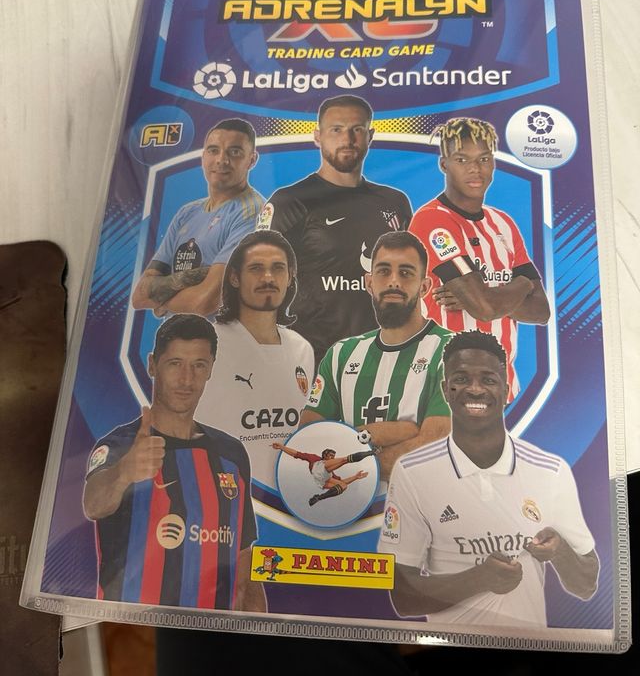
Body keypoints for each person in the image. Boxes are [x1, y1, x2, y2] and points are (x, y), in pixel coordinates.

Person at [378, 330, 598, 627]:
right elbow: (402, 597)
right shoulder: (413, 473)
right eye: (461, 379)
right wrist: (479, 579)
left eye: (488, 380)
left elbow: (586, 585)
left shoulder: (550, 470)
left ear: (506, 390)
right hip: (448, 650)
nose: (475, 389)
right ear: (445, 390)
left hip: (530, 649)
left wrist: (559, 551)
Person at [82, 314, 265, 612]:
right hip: (133, 630)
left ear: (210, 369)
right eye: (175, 363)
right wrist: (123, 472)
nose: (186, 379)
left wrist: (258, 630)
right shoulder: (121, 445)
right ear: (153, 365)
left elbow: (245, 567)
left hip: (213, 631)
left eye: (198, 365)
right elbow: (93, 505)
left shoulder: (231, 454)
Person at [256, 94, 412, 365]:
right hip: (311, 358)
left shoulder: (394, 202)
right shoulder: (289, 202)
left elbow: (412, 274)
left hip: (383, 356)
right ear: (318, 137)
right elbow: (256, 279)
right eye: (336, 130)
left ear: (370, 136)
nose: (347, 139)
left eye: (357, 130)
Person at [408, 117, 550, 400]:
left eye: (484, 159)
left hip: (502, 386)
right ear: (444, 164)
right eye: (462, 159)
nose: (475, 168)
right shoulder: (432, 221)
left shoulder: (503, 223)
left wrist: (483, 297)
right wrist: (522, 285)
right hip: (443, 389)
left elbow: (541, 311)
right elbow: (485, 308)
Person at [302, 230, 451, 480]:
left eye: (406, 273)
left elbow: (434, 448)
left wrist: (344, 460)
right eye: (383, 271)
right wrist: (394, 432)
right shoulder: (341, 355)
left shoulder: (452, 351)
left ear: (424, 287)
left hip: (422, 501)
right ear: (369, 283)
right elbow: (309, 439)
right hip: (348, 502)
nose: (394, 282)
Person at [197, 230, 315, 498]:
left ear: (290, 277)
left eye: (278, 268)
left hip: (287, 499)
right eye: (256, 268)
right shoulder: (207, 342)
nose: (268, 278)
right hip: (222, 495)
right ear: (235, 277)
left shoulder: (301, 348)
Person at [132, 118, 264, 317]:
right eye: (213, 150)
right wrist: (194, 277)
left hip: (219, 336)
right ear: (203, 157)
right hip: (173, 335)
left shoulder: (252, 212)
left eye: (235, 152)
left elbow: (206, 302)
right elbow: (139, 297)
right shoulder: (187, 213)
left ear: (251, 160)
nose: (221, 160)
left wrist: (161, 301)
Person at [272, 440, 379, 507]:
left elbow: (342, 482)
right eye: (331, 455)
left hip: (321, 481)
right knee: (344, 460)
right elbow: (296, 454)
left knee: (343, 486)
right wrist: (282, 447)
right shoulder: (315, 458)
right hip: (318, 468)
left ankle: (318, 497)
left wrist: (355, 477)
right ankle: (371, 452)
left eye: (333, 456)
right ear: (324, 455)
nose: (332, 458)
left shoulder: (331, 472)